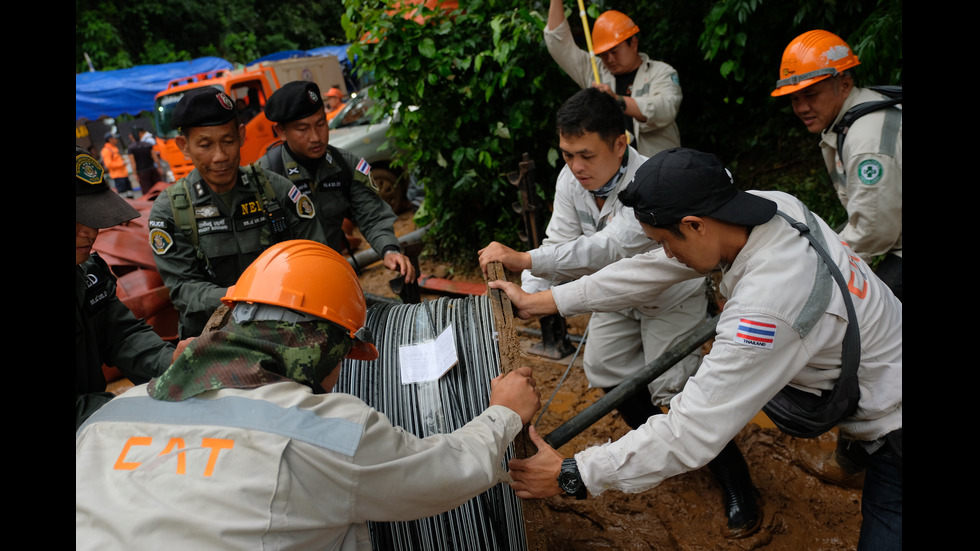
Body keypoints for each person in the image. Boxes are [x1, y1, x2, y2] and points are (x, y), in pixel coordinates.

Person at [491, 148, 902, 549]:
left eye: (666, 241)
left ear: (695, 225)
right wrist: (542, 302)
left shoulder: (765, 311)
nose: (666, 253)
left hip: (894, 422)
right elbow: (652, 266)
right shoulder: (774, 208)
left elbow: (692, 430)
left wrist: (573, 473)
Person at [75, 239, 542, 550]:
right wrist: (503, 414)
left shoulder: (108, 418)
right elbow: (443, 474)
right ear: (319, 351)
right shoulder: (327, 432)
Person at [479, 89, 760, 537]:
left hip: (668, 296)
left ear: (620, 144)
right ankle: (667, 446)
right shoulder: (571, 182)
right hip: (608, 296)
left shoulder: (653, 180)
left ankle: (736, 485)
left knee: (675, 390)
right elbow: (558, 241)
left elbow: (611, 245)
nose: (576, 166)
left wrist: (526, 261)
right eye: (568, 154)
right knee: (605, 369)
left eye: (586, 155)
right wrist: (525, 294)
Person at [148, 87, 327, 339]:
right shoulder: (170, 211)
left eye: (228, 141)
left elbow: (316, 256)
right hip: (213, 337)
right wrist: (241, 298)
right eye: (205, 145)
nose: (220, 156)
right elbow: (183, 289)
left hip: (284, 325)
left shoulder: (274, 190)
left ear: (242, 135)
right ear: (184, 146)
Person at [771, 30, 902, 301]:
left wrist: (823, 263)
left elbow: (874, 228)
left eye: (812, 94)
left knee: (879, 317)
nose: (802, 107)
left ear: (843, 83)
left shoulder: (866, 140)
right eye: (795, 98)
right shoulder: (863, 110)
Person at [259, 80, 416, 284]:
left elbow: (372, 214)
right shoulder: (265, 177)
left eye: (321, 124)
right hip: (284, 283)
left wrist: (389, 249)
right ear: (281, 132)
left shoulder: (344, 164)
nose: (316, 137)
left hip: (330, 274)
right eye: (303, 129)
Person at [75, 146, 186, 429]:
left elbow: (121, 334)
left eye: (94, 218)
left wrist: (170, 362)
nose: (89, 232)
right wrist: (121, 411)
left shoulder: (87, 272)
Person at [543, 0, 682, 158]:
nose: (609, 59)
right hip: (616, 176)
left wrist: (618, 101)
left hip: (658, 170)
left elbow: (665, 108)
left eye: (615, 51)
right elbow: (558, 43)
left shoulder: (661, 72)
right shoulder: (595, 71)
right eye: (603, 54)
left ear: (634, 43)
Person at [128, 126, 163, 196]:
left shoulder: (131, 148)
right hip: (152, 169)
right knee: (159, 189)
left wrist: (135, 174)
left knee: (148, 193)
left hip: (142, 172)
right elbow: (155, 158)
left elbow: (133, 163)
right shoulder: (148, 145)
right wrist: (159, 167)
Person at [99, 132, 132, 196]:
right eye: (115, 138)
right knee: (124, 196)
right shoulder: (106, 150)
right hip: (118, 176)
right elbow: (108, 164)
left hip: (124, 174)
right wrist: (122, 163)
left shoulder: (113, 148)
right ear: (110, 139)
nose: (116, 140)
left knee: (130, 194)